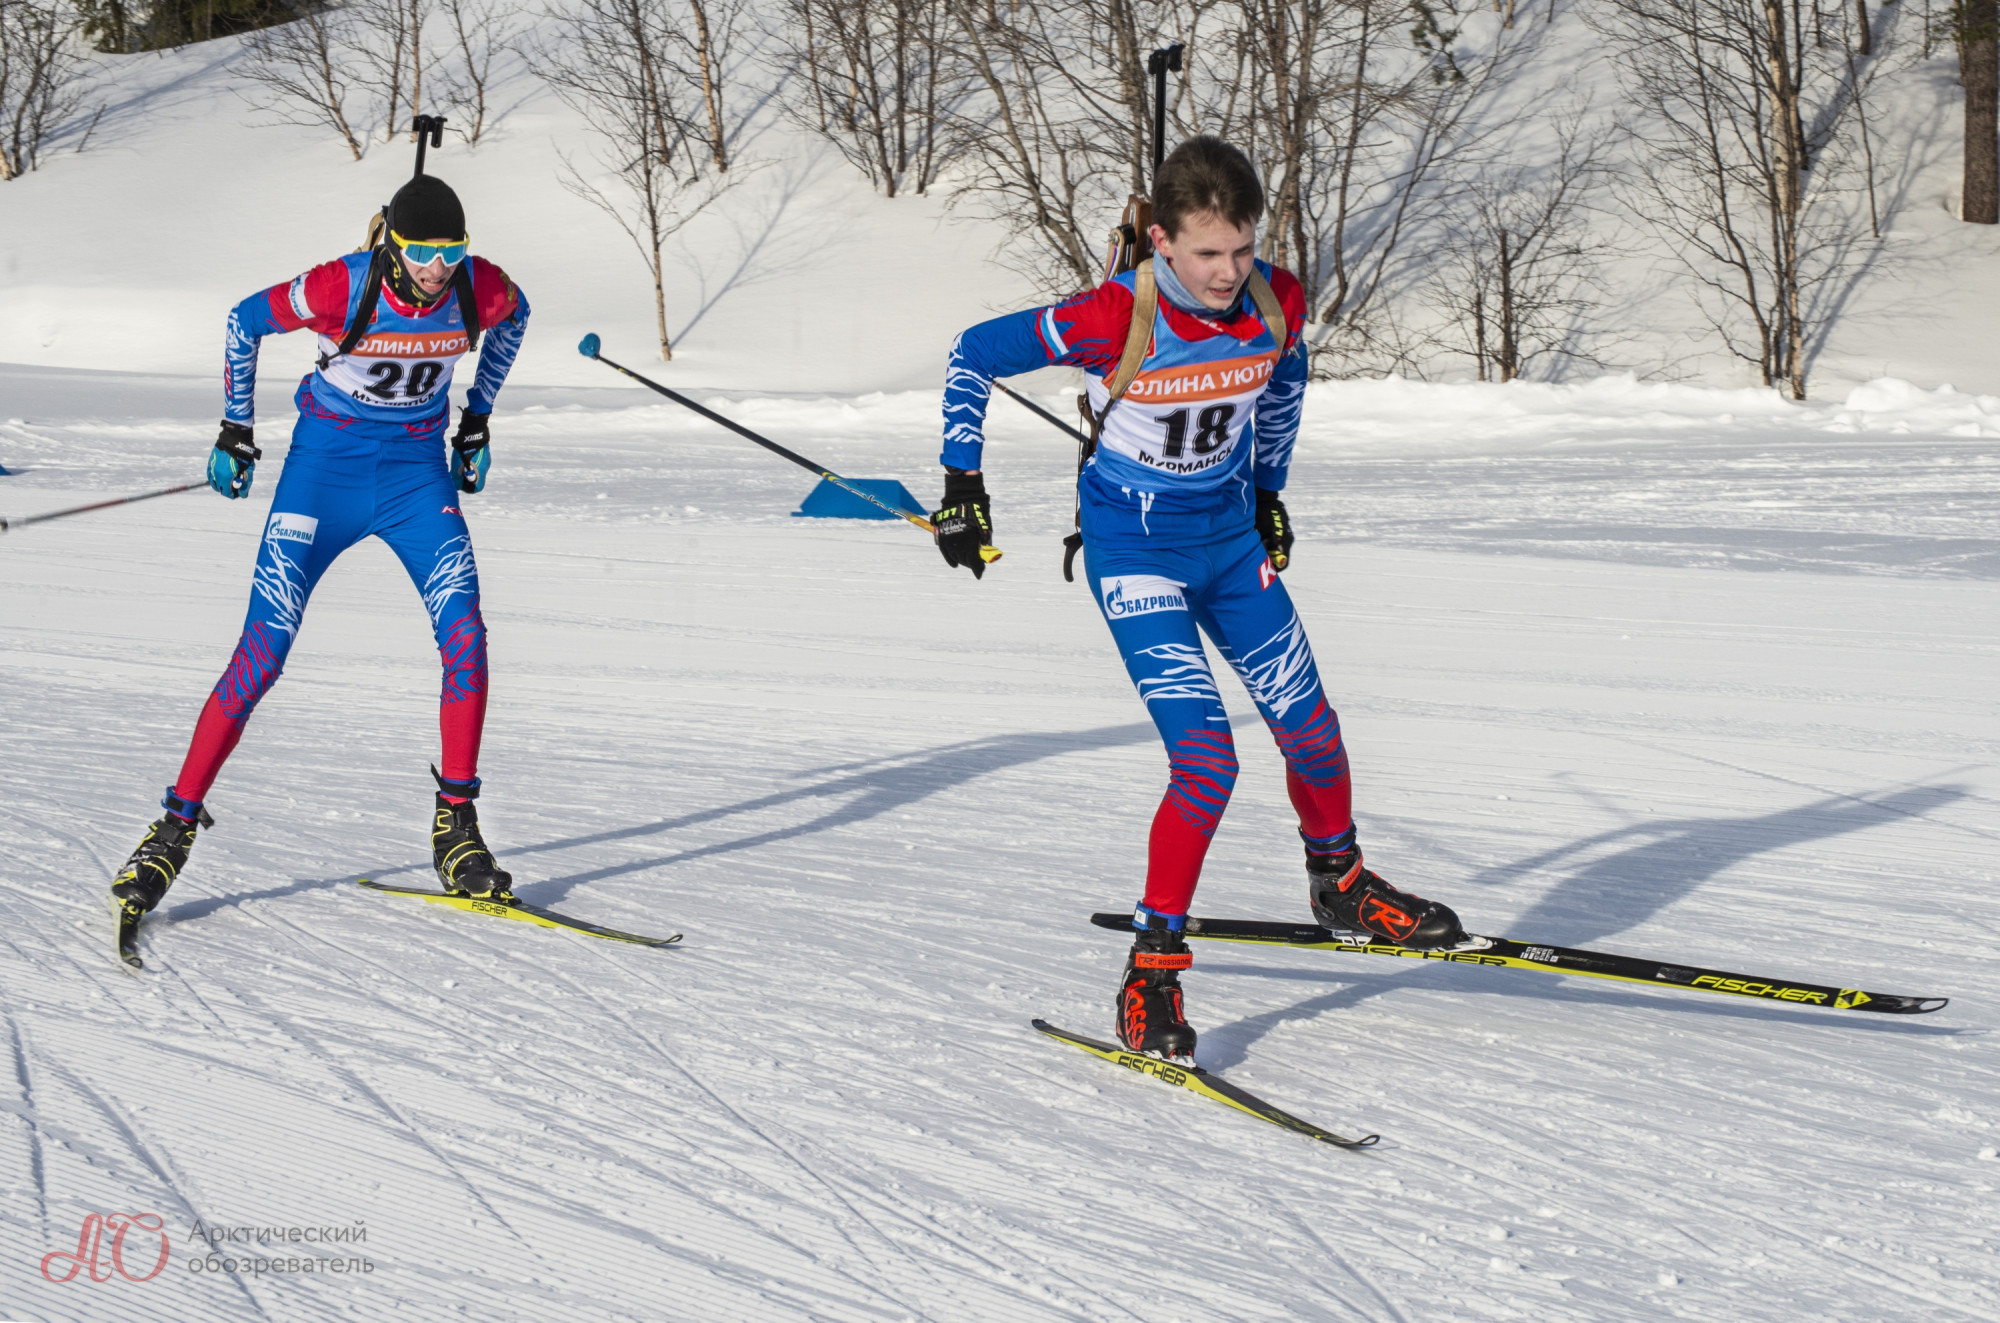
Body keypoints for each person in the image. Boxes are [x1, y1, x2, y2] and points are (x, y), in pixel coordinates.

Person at [930, 137, 1465, 1061]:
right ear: (1163, 242)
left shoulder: (1276, 299)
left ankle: (1340, 882)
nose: (1227, 272)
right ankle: (1151, 972)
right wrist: (961, 484)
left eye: (1242, 248)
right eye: (1207, 253)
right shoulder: (1112, 313)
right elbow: (971, 355)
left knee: (1313, 727)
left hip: (1226, 540)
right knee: (1208, 762)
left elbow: (1287, 381)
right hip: (1135, 551)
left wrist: (1268, 491)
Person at [109, 173, 531, 929]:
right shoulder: (345, 283)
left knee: (466, 637)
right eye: (424, 250)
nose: (439, 267)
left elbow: (519, 316)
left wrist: (477, 420)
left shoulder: (479, 288)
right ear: (394, 245)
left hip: (414, 479)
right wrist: (235, 429)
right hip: (322, 474)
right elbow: (245, 320)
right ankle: (172, 828)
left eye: (454, 249)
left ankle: (457, 828)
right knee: (263, 653)